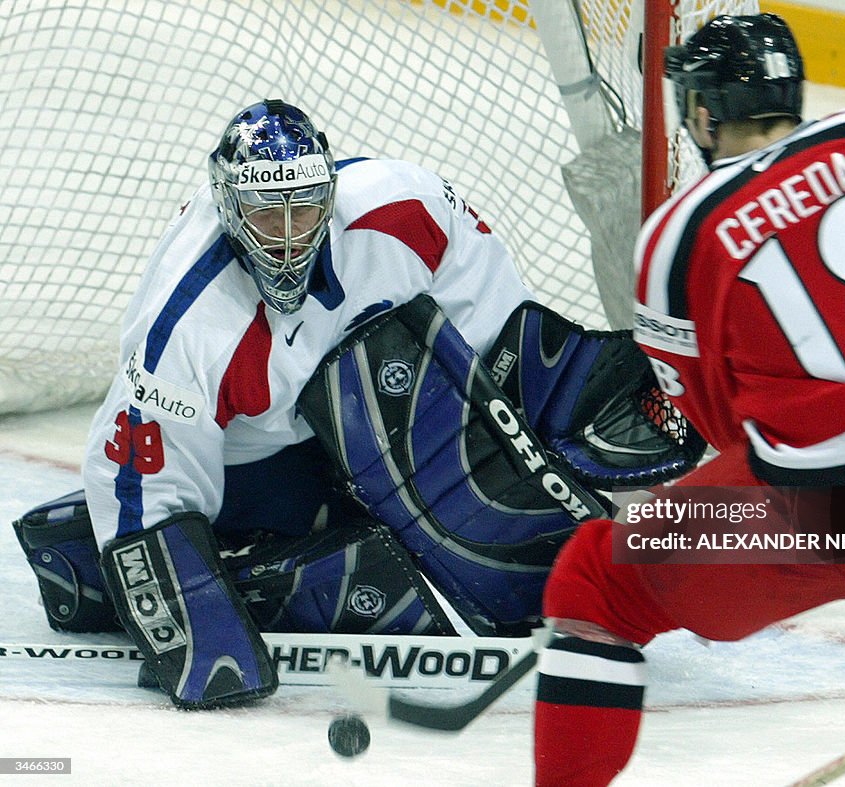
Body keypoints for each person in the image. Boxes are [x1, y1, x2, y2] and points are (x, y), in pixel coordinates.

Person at [12, 99, 699, 709]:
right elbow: (136, 475)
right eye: (266, 212)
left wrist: (525, 438)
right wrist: (185, 615)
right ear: (229, 208)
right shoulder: (189, 323)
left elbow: (487, 335)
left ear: (330, 194)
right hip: (252, 457)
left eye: (305, 208)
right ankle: (88, 553)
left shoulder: (406, 209)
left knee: (426, 410)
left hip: (346, 414)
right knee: (344, 571)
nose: (288, 235)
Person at [532, 13, 845, 786]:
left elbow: (727, 429)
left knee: (598, 581)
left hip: (824, 517)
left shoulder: (678, 236)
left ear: (701, 113)